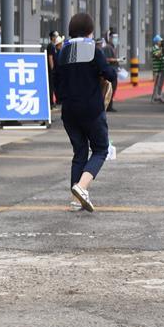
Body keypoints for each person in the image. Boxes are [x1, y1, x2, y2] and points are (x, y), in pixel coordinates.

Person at [52, 12, 116, 213]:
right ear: (90, 30)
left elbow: (56, 82)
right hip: (91, 109)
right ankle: (82, 186)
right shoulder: (92, 50)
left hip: (69, 111)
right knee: (100, 149)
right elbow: (109, 74)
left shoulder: (63, 52)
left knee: (79, 152)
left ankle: (76, 199)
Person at [101, 29, 120, 112]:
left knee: (113, 89)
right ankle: (108, 105)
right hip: (110, 71)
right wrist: (116, 60)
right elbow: (106, 59)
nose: (116, 39)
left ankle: (109, 105)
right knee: (110, 89)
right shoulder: (108, 47)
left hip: (113, 70)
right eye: (114, 37)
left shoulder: (112, 47)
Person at [150, 34, 164, 103]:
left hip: (162, 69)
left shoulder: (160, 48)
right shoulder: (154, 48)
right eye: (160, 41)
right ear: (157, 42)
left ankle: (159, 96)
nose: (161, 42)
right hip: (157, 69)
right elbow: (157, 55)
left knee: (161, 83)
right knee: (157, 84)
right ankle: (154, 97)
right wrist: (163, 50)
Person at [45, 31, 59, 106]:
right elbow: (50, 58)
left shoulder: (54, 46)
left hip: (54, 70)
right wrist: (52, 69)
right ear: (52, 37)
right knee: (51, 86)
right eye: (56, 36)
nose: (57, 38)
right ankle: (50, 102)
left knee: (53, 86)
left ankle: (53, 101)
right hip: (51, 71)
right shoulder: (51, 46)